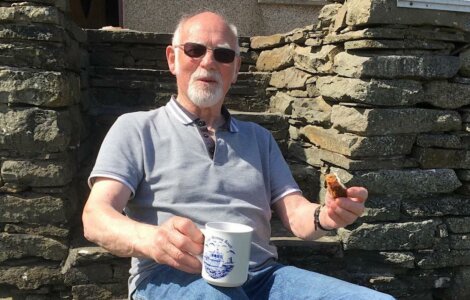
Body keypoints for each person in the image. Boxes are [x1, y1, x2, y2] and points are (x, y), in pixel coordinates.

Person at [82, 10, 395, 300]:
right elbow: (96, 217)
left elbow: (296, 215)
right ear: (172, 59)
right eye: (195, 50)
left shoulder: (259, 138)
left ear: (235, 69)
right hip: (173, 276)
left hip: (263, 277)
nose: (208, 62)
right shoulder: (136, 129)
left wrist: (324, 217)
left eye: (223, 54)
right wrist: (152, 240)